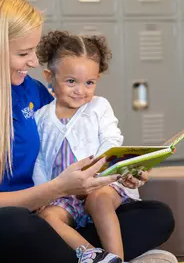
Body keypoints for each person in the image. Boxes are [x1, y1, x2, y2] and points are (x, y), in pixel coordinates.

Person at [0, 0, 176, 263]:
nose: (34, 61)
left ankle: (94, 257)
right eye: (24, 53)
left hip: (46, 222)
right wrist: (59, 187)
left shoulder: (31, 91)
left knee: (157, 216)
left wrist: (119, 171)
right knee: (11, 223)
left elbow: (82, 133)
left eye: (34, 50)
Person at [33, 30, 141, 263]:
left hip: (100, 185)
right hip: (65, 193)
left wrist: (99, 171)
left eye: (89, 83)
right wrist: (45, 192)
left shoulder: (99, 107)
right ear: (49, 76)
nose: (80, 90)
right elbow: (39, 159)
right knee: (48, 217)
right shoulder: (41, 117)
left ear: (97, 80)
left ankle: (117, 259)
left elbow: (112, 139)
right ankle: (94, 255)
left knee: (98, 200)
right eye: (71, 81)